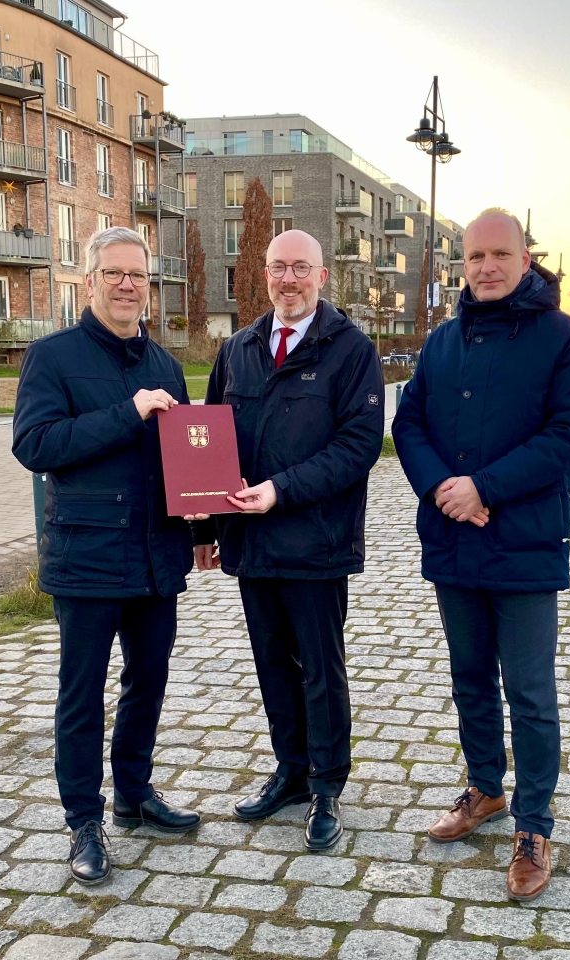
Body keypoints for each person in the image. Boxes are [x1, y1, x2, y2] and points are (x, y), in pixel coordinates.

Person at [393, 208, 570, 901]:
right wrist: (442, 489)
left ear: (525, 258)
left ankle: (533, 825)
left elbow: (568, 435)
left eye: (499, 254)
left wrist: (484, 486)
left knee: (530, 693)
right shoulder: (442, 342)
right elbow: (409, 421)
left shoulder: (565, 340)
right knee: (469, 677)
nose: (485, 267)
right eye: (474, 255)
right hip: (455, 539)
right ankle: (485, 789)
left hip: (526, 543)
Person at [12, 226, 201, 886]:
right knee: (81, 697)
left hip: (155, 559)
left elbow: (181, 463)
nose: (127, 286)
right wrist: (129, 413)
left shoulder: (165, 365)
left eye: (138, 276)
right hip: (87, 560)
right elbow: (35, 445)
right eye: (115, 274)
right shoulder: (52, 358)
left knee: (147, 685)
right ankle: (82, 822)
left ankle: (134, 795)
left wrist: (201, 528)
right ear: (89, 280)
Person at [195, 230, 384, 851]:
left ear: (322, 277)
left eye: (301, 267)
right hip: (252, 543)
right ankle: (291, 770)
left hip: (316, 541)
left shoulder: (351, 350)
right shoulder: (239, 349)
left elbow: (358, 449)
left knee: (319, 671)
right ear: (265, 276)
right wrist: (203, 527)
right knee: (273, 663)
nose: (289, 279)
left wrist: (280, 488)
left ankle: (326, 784)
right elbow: (208, 439)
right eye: (279, 268)